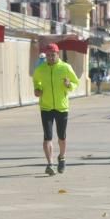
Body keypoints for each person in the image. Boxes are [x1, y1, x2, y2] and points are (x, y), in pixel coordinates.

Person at [32, 43, 80, 175]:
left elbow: (76, 82)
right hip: (46, 107)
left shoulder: (65, 67)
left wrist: (69, 84)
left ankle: (62, 158)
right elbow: (37, 82)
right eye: (48, 55)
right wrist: (37, 90)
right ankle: (50, 164)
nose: (50, 58)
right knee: (47, 137)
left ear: (57, 54)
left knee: (61, 137)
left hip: (61, 107)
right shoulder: (40, 69)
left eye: (53, 55)